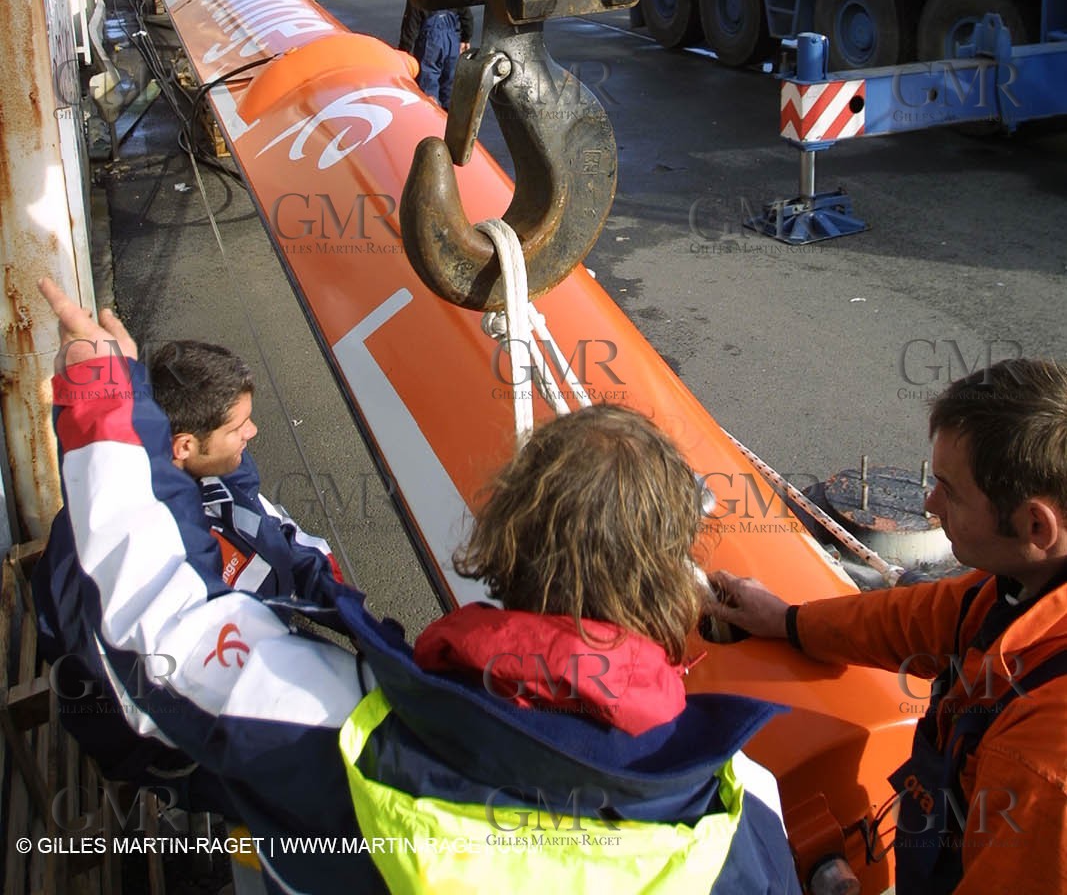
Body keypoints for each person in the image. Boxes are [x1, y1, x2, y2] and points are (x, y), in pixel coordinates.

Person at [38, 276, 799, 895]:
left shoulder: (334, 726)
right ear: (672, 582)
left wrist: (107, 392)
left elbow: (163, 625)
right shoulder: (744, 805)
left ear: (501, 540)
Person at [706, 359, 1067, 895]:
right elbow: (915, 620)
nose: (929, 503)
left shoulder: (1043, 762)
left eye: (949, 490)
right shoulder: (1019, 590)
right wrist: (788, 621)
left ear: (1036, 524)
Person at [34, 327, 342, 793]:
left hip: (236, 652)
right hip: (175, 746)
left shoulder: (213, 474)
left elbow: (272, 528)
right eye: (237, 428)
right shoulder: (113, 563)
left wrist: (348, 608)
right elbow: (138, 694)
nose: (252, 432)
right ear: (183, 446)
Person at [399, 0, 474, 109]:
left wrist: (404, 51)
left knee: (428, 85)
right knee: (450, 85)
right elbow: (466, 15)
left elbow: (411, 24)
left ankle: (430, 114)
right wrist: (466, 38)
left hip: (430, 43)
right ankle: (448, 116)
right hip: (452, 41)